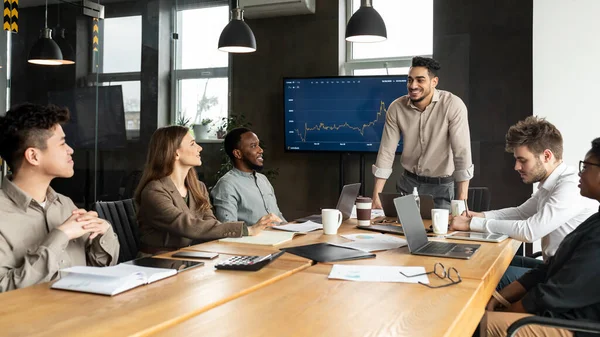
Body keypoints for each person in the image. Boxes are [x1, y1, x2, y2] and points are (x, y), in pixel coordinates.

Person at [451, 116, 597, 289]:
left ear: (546, 156)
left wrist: (472, 224)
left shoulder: (569, 186)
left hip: (563, 278)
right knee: (485, 262)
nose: (516, 167)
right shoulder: (550, 183)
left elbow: (530, 231)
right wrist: (479, 216)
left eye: (522, 160)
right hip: (551, 267)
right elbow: (521, 213)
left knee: (479, 276)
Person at [481, 137, 600, 337]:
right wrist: (501, 297)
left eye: (586, 166)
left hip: (574, 326)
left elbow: (557, 293)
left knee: (476, 323)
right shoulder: (595, 219)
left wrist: (509, 310)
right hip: (557, 310)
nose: (581, 171)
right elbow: (549, 268)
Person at [0, 103, 119, 292]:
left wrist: (102, 235)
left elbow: (97, 270)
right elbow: (5, 290)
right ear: (33, 156)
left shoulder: (65, 204)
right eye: (62, 143)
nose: (70, 150)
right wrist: (60, 237)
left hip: (82, 314)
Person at [134, 126, 281, 254]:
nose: (200, 148)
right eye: (192, 144)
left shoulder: (198, 187)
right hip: (158, 264)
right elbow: (188, 225)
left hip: (192, 257)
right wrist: (247, 230)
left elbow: (210, 221)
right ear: (175, 153)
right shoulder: (154, 191)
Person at [371, 56, 473, 210]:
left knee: (439, 234)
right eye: (410, 80)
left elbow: (462, 153)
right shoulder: (396, 108)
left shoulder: (453, 105)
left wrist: (461, 201)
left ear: (434, 82)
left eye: (420, 80)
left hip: (441, 188)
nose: (413, 85)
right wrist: (376, 196)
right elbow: (386, 152)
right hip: (408, 184)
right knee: (401, 232)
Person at [211, 128, 286, 225]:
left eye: (258, 145)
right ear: (238, 154)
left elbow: (278, 217)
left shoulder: (263, 179)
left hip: (281, 238)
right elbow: (228, 228)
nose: (261, 150)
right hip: (255, 240)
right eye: (253, 146)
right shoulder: (227, 185)